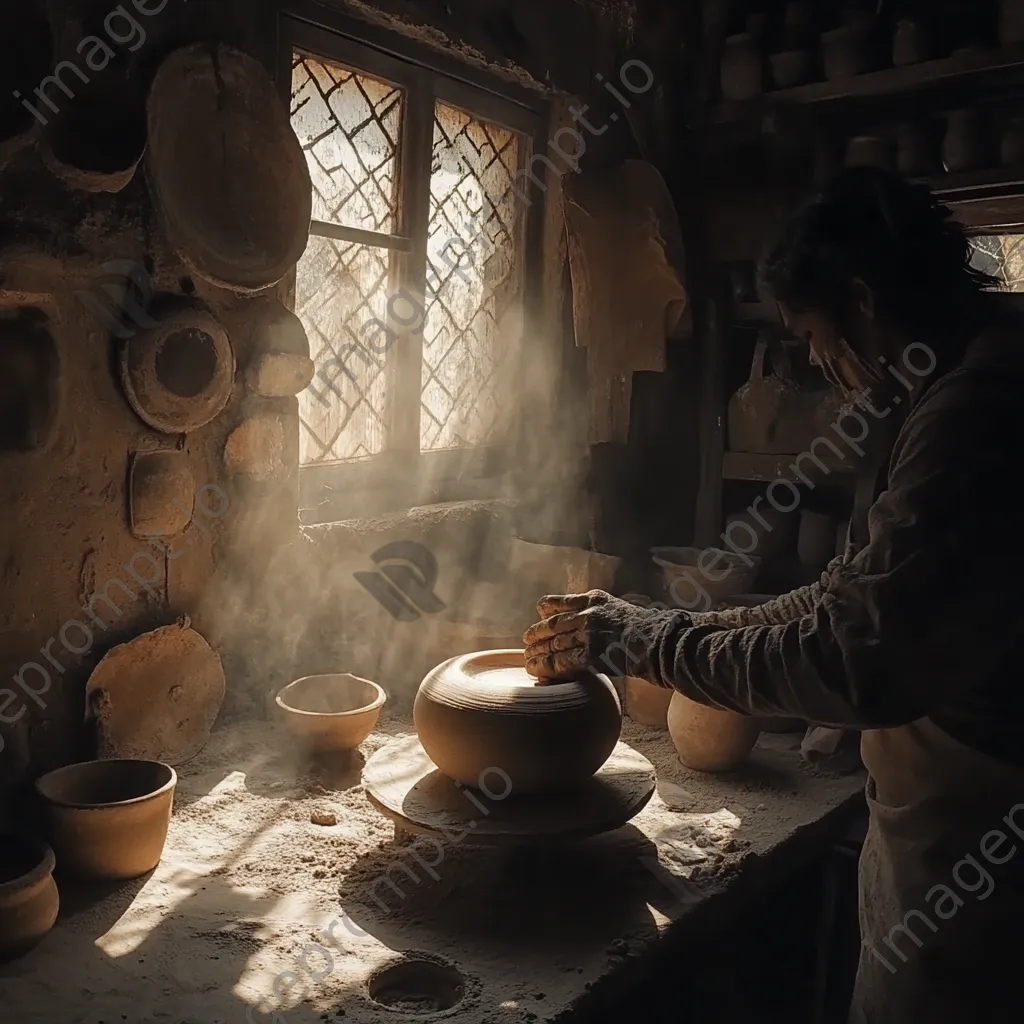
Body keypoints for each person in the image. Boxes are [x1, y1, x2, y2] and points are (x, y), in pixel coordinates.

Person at [522, 168, 1024, 1023]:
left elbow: (856, 656)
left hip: (984, 841)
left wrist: (648, 641)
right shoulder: (965, 371)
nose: (827, 370)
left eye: (817, 339)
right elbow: (846, 585)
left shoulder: (980, 406)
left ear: (864, 299)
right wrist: (669, 626)